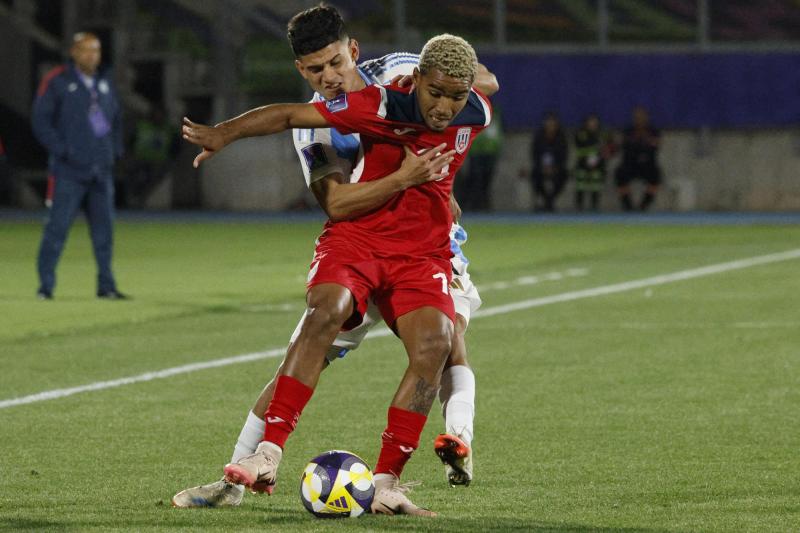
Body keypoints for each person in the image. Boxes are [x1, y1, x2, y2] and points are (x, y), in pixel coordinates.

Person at [172, 5, 498, 512]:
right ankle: (240, 475)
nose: (327, 77)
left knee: (444, 339)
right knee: (312, 341)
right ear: (300, 71)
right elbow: (339, 204)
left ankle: (443, 448)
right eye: (313, 70)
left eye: (334, 63)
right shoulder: (318, 131)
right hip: (359, 243)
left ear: (354, 51)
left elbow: (476, 80)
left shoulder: (403, 73)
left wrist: (447, 97)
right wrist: (406, 177)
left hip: (426, 244)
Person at [31, 32, 127, 300]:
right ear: (73, 52)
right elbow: (40, 121)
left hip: (101, 172)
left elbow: (116, 119)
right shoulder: (58, 81)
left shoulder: (104, 82)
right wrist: (63, 151)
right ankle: (45, 287)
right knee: (56, 230)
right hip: (68, 172)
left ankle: (106, 286)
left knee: (104, 234)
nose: (92, 56)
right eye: (86, 50)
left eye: (96, 50)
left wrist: (114, 151)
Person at [615, 106, 662, 211]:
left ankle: (643, 206)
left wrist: (645, 141)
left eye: (642, 117)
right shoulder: (628, 131)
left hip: (647, 164)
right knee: (620, 173)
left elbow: (656, 144)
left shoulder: (653, 131)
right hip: (630, 164)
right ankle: (628, 206)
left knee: (656, 175)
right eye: (637, 117)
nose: (639, 119)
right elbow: (623, 144)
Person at [457, 106, 502, 211]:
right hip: (475, 152)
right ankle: (474, 204)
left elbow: (498, 134)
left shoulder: (495, 114)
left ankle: (483, 204)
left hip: (490, 153)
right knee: (475, 179)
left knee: (486, 181)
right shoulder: (473, 111)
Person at [573, 113, 613, 212]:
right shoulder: (581, 134)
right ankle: (579, 206)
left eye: (594, 122)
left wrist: (604, 152)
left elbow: (607, 149)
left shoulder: (602, 134)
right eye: (590, 122)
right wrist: (595, 150)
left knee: (596, 182)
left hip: (598, 165)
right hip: (583, 163)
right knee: (581, 182)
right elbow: (580, 149)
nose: (592, 124)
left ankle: (594, 206)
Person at [531, 111, 568, 212]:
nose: (551, 126)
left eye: (553, 124)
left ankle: (550, 200)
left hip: (556, 167)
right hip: (541, 167)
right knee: (535, 175)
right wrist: (542, 167)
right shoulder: (539, 136)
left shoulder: (561, 137)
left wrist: (555, 167)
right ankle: (547, 200)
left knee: (564, 174)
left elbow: (563, 155)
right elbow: (535, 154)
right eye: (549, 123)